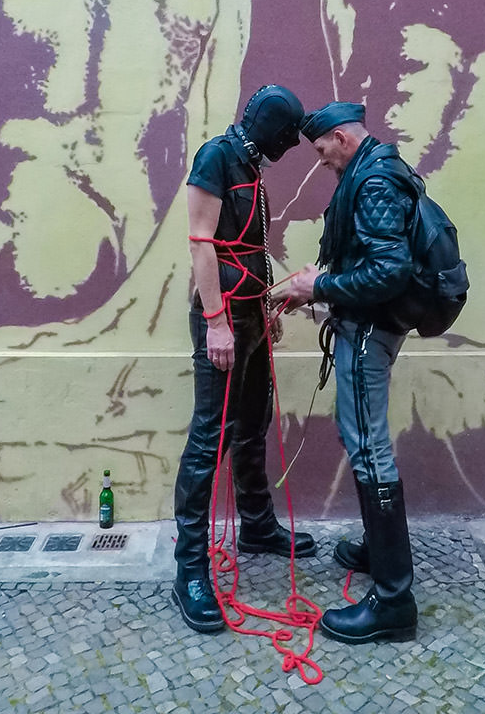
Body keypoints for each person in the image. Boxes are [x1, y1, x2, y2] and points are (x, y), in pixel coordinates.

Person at [173, 85, 317, 634]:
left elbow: (250, 244)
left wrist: (264, 310)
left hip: (251, 309)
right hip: (224, 315)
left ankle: (255, 525)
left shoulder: (249, 162)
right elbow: (201, 242)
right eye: (287, 136)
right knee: (210, 435)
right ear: (273, 130)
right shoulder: (216, 156)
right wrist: (216, 321)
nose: (288, 145)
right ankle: (189, 568)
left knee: (253, 420)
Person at [280, 101, 419, 645]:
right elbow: (370, 257)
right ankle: (376, 547)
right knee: (364, 439)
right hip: (365, 324)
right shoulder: (374, 169)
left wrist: (317, 288)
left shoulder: (375, 178)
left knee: (368, 445)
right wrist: (318, 284)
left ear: (341, 138)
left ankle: (393, 600)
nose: (321, 163)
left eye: (321, 151)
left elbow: (389, 270)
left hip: (369, 330)